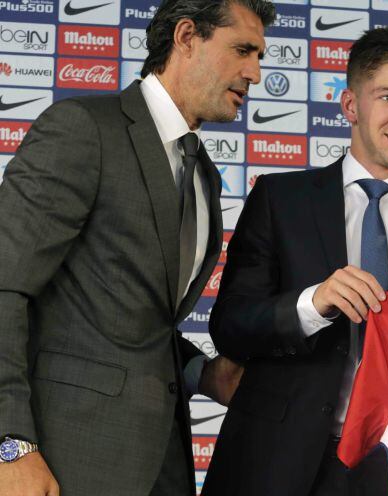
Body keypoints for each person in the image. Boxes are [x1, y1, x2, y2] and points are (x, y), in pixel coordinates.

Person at [0, 1, 275, 495]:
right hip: (64, 462)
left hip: (161, 461)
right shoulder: (84, 129)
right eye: (242, 50)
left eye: (258, 55)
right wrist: (11, 445)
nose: (254, 72)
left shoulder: (205, 176)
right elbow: (4, 287)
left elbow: (135, 319)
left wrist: (203, 373)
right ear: (187, 37)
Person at [202, 25, 388, 496]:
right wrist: (313, 303)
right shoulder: (280, 199)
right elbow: (230, 325)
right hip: (271, 464)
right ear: (351, 105)